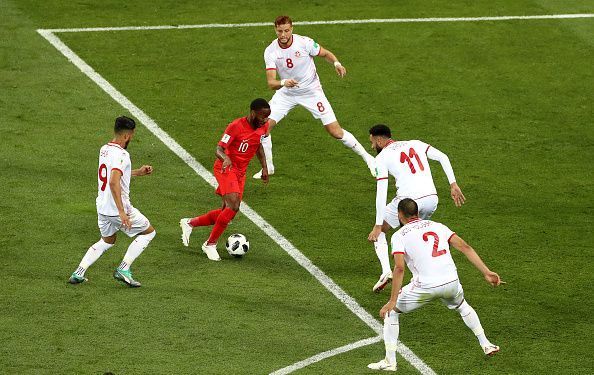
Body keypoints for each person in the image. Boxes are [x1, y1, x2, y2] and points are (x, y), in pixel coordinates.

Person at [368, 199, 504, 372]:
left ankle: (390, 361)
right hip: (451, 283)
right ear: (416, 212)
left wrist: (392, 300)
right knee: (462, 306)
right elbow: (465, 246)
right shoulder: (437, 225)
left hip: (425, 287)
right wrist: (486, 272)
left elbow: (400, 268)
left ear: (399, 215)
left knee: (391, 313)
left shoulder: (399, 236)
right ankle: (486, 344)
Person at [252, 15, 376, 179]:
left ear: (292, 29)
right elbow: (271, 82)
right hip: (286, 93)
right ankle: (268, 167)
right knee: (263, 127)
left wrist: (337, 63)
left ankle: (369, 159)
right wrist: (283, 82)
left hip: (311, 92)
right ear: (275, 30)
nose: (283, 35)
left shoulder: (304, 43)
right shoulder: (271, 51)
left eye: (286, 31)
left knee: (335, 131)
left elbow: (325, 53)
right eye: (280, 31)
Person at [367, 124, 466, 293]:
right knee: (416, 236)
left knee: (382, 232)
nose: (372, 146)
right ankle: (428, 275)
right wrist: (453, 183)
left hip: (409, 200)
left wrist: (377, 224)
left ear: (379, 140)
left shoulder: (382, 157)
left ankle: (386, 272)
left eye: (372, 142)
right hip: (431, 199)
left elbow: (381, 191)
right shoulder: (415, 143)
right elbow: (443, 156)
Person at [68, 116, 156, 288]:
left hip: (102, 207)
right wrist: (122, 212)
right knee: (148, 233)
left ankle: (78, 273)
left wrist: (137, 172)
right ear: (127, 136)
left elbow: (113, 175)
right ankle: (124, 269)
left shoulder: (104, 149)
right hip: (117, 209)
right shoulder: (122, 154)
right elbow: (114, 181)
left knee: (108, 240)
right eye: (132, 135)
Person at [179, 98, 271, 261]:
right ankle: (210, 244)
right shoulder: (236, 126)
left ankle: (190, 223)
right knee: (234, 205)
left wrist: (264, 166)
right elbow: (219, 149)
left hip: (241, 173)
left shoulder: (262, 126)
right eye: (262, 116)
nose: (265, 120)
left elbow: (257, 145)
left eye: (267, 117)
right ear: (253, 113)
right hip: (226, 168)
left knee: (227, 213)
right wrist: (225, 158)